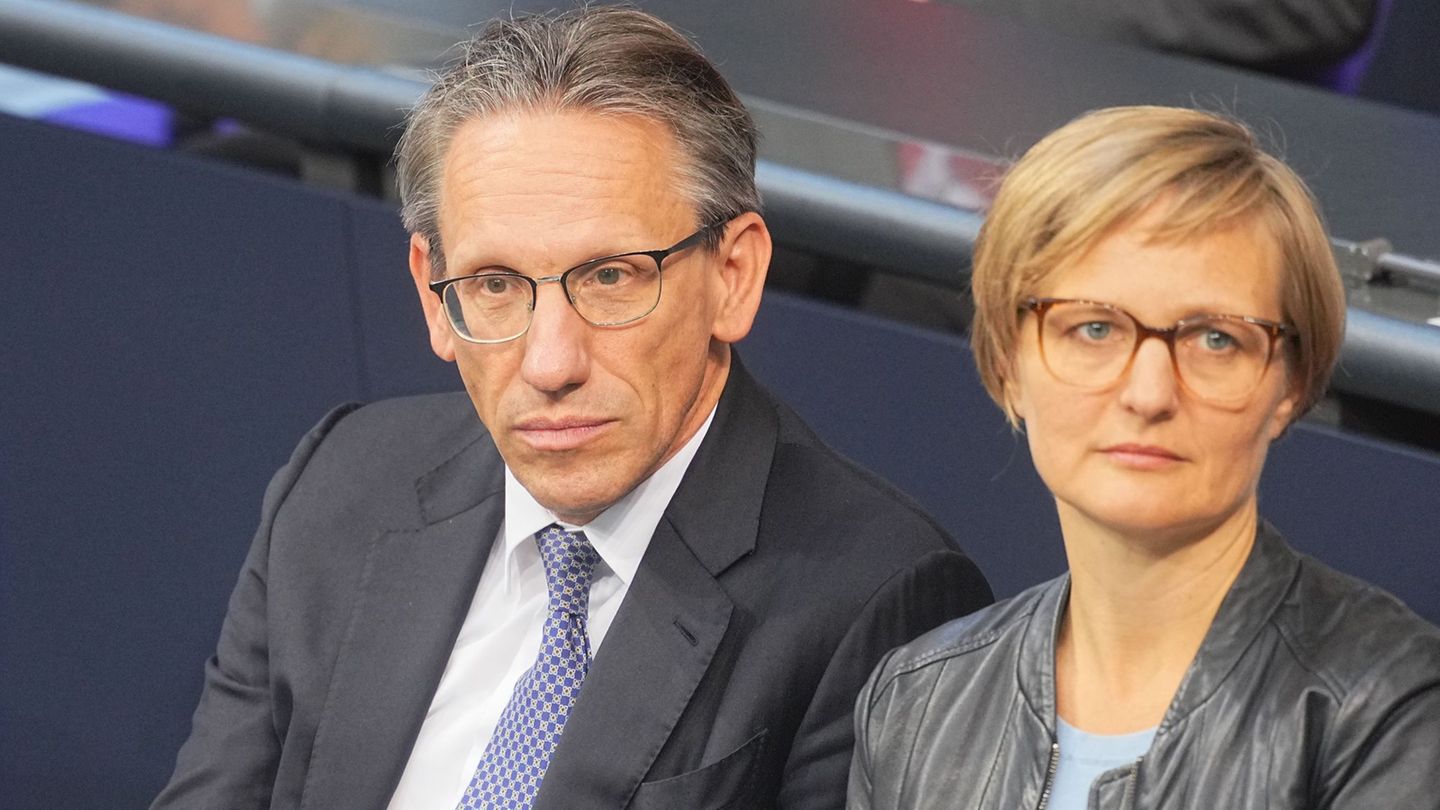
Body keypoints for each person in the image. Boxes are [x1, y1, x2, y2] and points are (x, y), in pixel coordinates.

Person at [152, 7, 992, 809]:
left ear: (733, 276)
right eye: (494, 285)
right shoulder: (339, 486)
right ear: (432, 295)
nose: (551, 363)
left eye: (611, 277)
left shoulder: (875, 600)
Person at [849, 106, 1440, 809]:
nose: (1150, 393)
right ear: (1008, 364)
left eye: (1216, 339)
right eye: (1094, 328)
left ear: (1292, 384)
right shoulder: (916, 703)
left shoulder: (1387, 709)